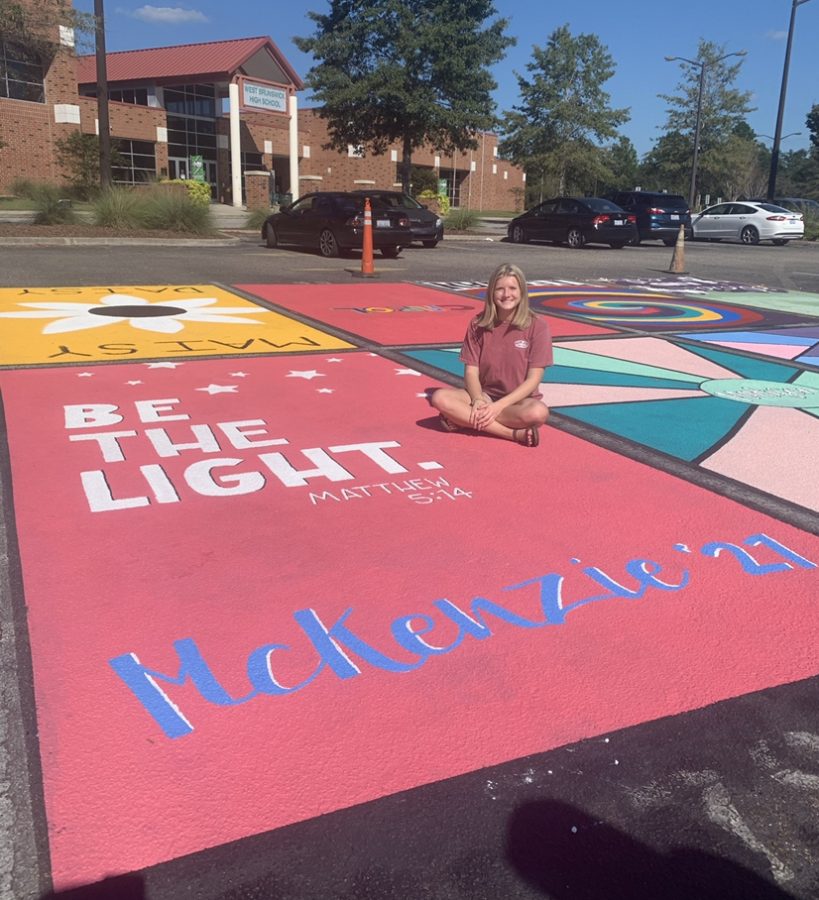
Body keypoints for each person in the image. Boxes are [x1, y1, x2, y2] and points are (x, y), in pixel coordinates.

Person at [430, 262, 551, 447]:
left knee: (538, 413)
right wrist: (478, 400)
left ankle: (463, 419)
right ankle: (511, 434)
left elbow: (533, 380)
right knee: (439, 398)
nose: (506, 294)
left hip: (517, 402)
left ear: (522, 292)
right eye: (500, 289)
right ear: (491, 293)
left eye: (512, 288)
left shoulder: (537, 326)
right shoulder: (478, 324)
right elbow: (471, 371)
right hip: (483, 396)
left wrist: (497, 407)